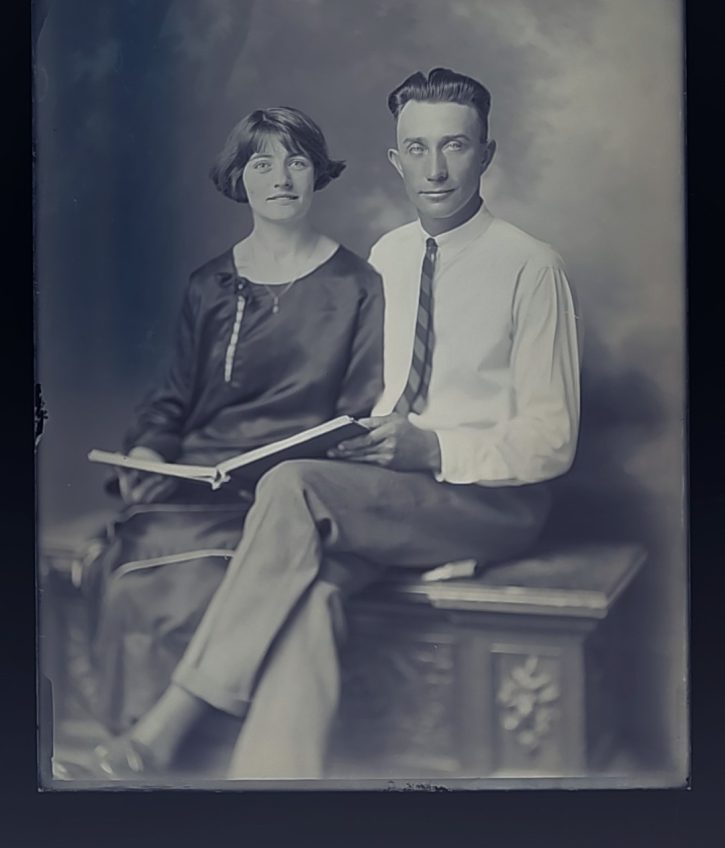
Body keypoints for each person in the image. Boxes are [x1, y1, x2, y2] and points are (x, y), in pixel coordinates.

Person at [89, 67, 581, 782]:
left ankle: (167, 725)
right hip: (389, 498)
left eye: (454, 147)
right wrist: (359, 438)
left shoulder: (531, 268)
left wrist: (433, 445)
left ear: (487, 152)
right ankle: (272, 790)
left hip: (489, 501)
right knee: (308, 595)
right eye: (416, 149)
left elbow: (552, 439)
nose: (434, 168)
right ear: (394, 158)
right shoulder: (389, 254)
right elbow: (371, 393)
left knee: (292, 486)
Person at [85, 106, 384, 737]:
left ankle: (191, 768)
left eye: (297, 161)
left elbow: (360, 412)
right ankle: (127, 771)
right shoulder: (209, 284)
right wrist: (150, 453)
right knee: (130, 587)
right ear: (239, 178)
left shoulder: (360, 285)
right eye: (263, 163)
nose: (282, 177)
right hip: (191, 491)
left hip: (286, 502)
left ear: (318, 175)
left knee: (203, 587)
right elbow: (172, 398)